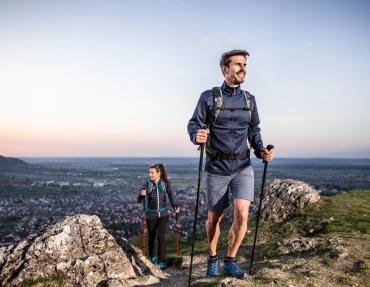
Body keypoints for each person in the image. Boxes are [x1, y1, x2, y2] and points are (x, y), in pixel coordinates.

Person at [187, 50, 274, 278]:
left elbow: (254, 131)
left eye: (244, 64)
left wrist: (261, 150)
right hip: (217, 167)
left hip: (243, 166)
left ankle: (231, 260)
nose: (242, 68)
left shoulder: (250, 100)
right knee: (215, 216)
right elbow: (193, 124)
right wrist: (197, 135)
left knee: (242, 214)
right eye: (237, 64)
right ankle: (213, 258)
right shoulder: (209, 97)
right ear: (224, 69)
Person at [137, 163, 179, 270]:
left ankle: (161, 261)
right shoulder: (147, 184)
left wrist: (174, 205)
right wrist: (141, 195)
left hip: (163, 214)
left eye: (152, 173)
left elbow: (171, 195)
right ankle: (152, 257)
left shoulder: (165, 183)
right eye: (150, 173)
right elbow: (139, 200)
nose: (150, 175)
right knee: (151, 237)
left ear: (159, 173)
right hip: (151, 215)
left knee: (161, 237)